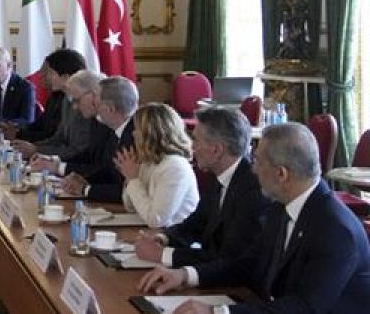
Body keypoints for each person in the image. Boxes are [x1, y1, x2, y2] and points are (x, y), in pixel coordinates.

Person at [138, 122, 370, 314]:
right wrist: (185, 275)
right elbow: (247, 262)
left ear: (281, 174)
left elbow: (304, 308)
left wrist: (218, 313)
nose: (253, 169)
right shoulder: (283, 208)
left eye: (258, 161)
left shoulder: (335, 230)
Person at [134, 107, 269, 267]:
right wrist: (164, 238)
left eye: (196, 140)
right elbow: (195, 224)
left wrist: (164, 255)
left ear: (216, 150)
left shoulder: (252, 191)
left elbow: (228, 257)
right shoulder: (220, 176)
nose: (192, 147)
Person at [35, 75, 138, 203]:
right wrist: (80, 179)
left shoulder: (136, 137)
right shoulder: (117, 130)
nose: (95, 108)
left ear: (110, 110)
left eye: (97, 103)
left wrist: (86, 189)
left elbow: (125, 189)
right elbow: (106, 169)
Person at [117, 103, 199, 228]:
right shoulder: (149, 161)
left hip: (172, 239)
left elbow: (156, 220)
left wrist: (133, 179)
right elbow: (131, 207)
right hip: (152, 233)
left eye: (137, 129)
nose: (133, 134)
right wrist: (129, 177)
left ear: (151, 133)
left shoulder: (175, 167)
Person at [14, 69, 101, 160]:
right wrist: (32, 147)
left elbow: (79, 152)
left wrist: (36, 150)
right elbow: (59, 138)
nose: (74, 107)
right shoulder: (67, 101)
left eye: (76, 100)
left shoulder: (95, 119)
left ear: (93, 94)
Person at [10, 49, 86, 142]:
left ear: (65, 77)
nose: (40, 75)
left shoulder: (79, 104)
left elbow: (55, 138)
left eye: (48, 72)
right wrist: (15, 129)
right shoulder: (55, 97)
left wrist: (20, 137)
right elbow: (40, 125)